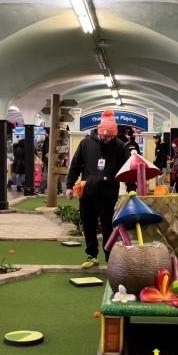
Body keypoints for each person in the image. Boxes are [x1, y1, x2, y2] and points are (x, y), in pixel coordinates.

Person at [65, 109, 130, 268]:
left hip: (109, 194)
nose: (107, 139)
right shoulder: (86, 143)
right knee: (88, 225)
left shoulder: (120, 146)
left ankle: (110, 257)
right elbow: (75, 165)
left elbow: (127, 169)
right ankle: (91, 255)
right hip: (88, 193)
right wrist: (69, 186)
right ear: (99, 132)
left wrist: (132, 188)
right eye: (104, 136)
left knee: (108, 227)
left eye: (110, 136)